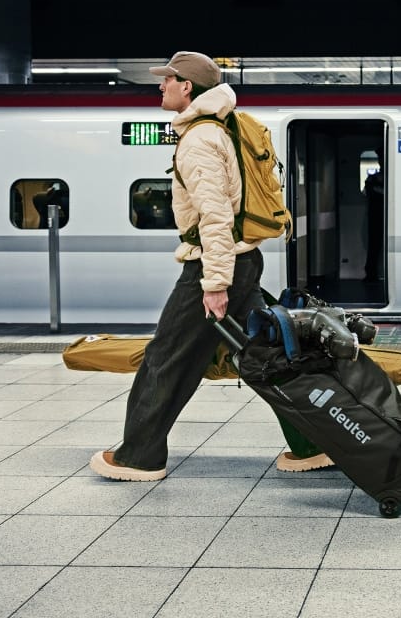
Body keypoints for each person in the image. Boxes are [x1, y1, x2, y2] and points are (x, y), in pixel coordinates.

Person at [90, 50, 328, 480]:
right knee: (267, 359)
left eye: (168, 79)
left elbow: (215, 217)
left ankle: (138, 457)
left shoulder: (199, 139)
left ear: (188, 87)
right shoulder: (224, 128)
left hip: (217, 266)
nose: (160, 86)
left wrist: (214, 283)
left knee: (165, 357)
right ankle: (312, 443)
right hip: (243, 261)